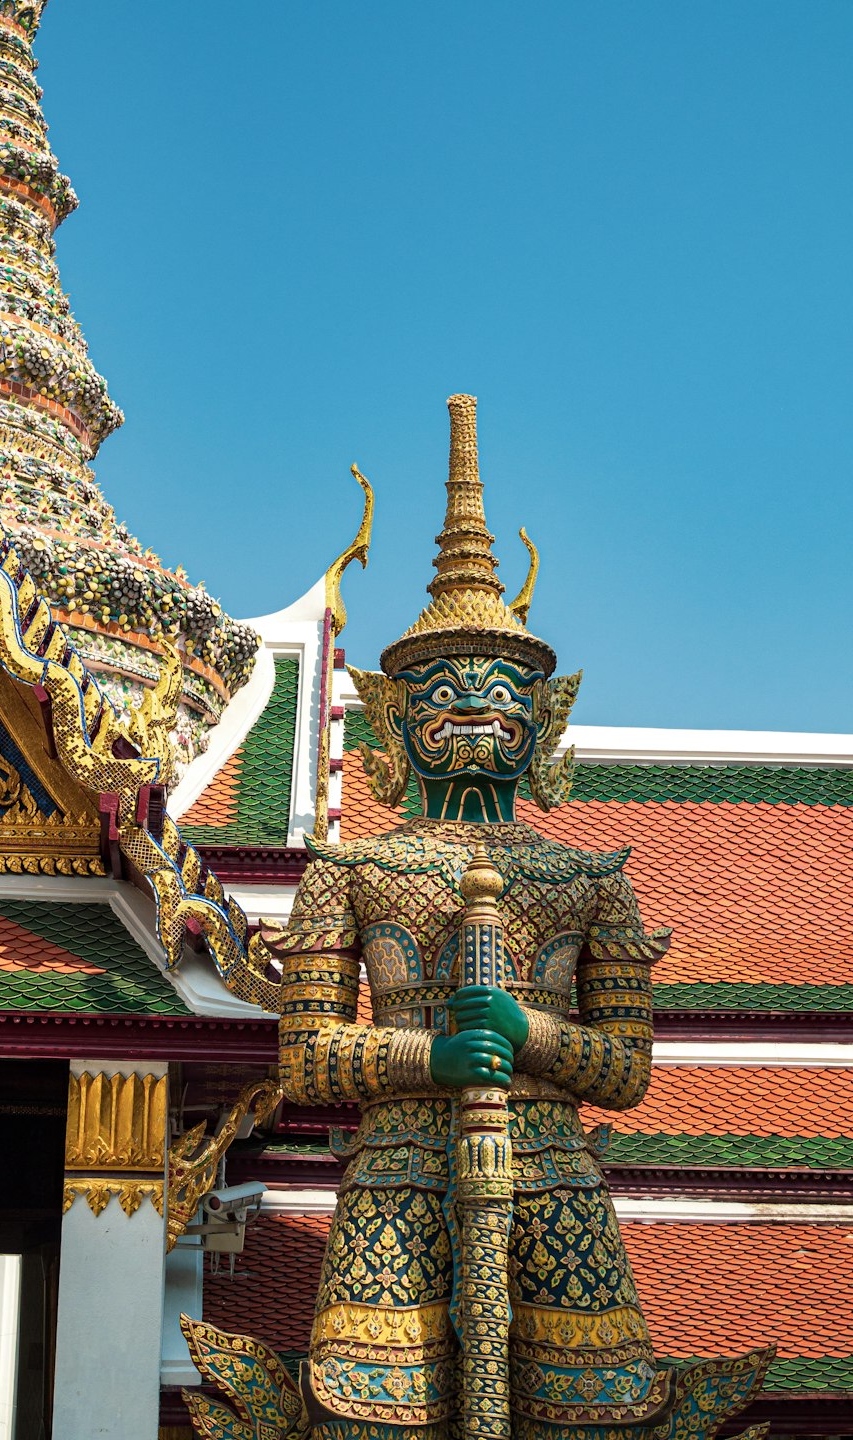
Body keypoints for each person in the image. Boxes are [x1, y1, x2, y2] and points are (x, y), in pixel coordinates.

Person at [266, 395, 772, 1439]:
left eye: (501, 691)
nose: (476, 709)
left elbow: (625, 1072)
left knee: (596, 1415)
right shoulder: (351, 870)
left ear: (542, 716)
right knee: (367, 1417)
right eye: (445, 691)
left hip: (550, 1171)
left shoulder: (589, 880)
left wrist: (527, 1033)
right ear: (399, 717)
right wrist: (435, 1062)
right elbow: (306, 1062)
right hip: (398, 1172)